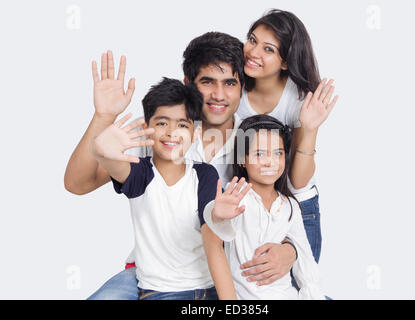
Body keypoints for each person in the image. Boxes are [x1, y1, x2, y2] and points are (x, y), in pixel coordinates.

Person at [65, 32, 298, 300]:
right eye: (207, 81)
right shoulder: (160, 132)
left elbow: (287, 204)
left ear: (243, 86)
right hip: (156, 273)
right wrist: (103, 116)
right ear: (188, 83)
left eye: (230, 83)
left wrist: (290, 250)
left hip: (230, 271)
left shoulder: (255, 140)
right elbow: (77, 184)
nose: (218, 95)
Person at [89, 77, 224, 300]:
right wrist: (100, 149)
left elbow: (213, 241)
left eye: (182, 125)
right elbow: (109, 161)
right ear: (146, 128)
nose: (171, 132)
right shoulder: (140, 173)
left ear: (196, 132)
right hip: (154, 291)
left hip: (202, 290)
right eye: (162, 123)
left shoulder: (204, 174)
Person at [238, 9, 339, 262]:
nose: (253, 52)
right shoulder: (232, 87)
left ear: (285, 62)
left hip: (295, 206)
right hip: (247, 206)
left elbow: (298, 180)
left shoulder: (299, 100)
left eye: (268, 49)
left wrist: (310, 128)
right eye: (252, 40)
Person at [204, 115, 325, 299]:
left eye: (278, 153)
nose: (270, 162)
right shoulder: (235, 196)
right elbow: (218, 222)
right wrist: (217, 215)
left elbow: (306, 266)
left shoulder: (289, 206)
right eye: (259, 154)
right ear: (242, 159)